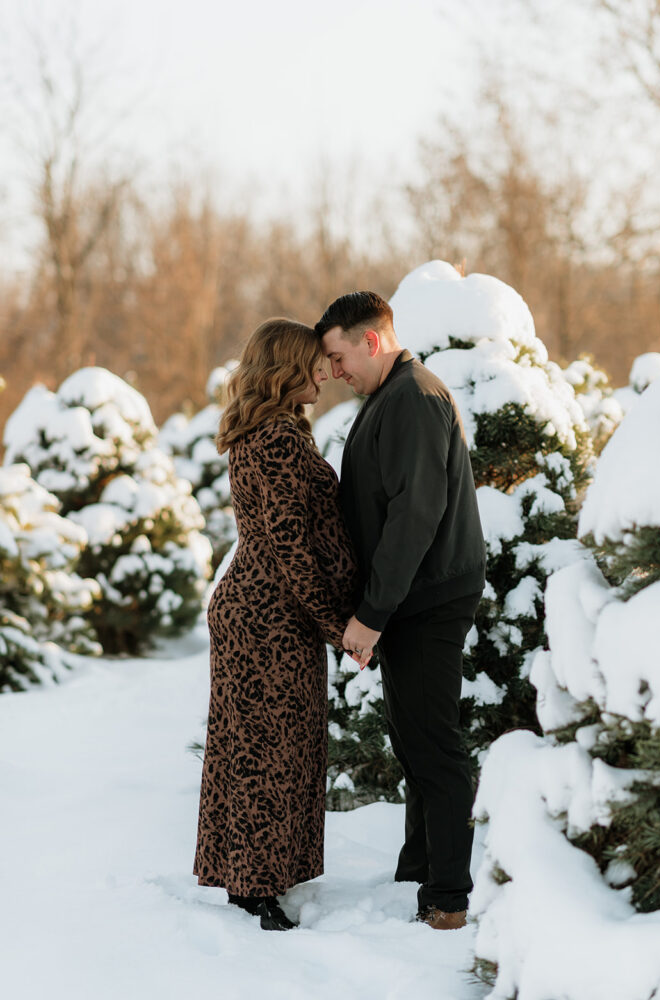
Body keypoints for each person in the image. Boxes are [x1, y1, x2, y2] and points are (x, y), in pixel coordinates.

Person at [315, 291, 486, 931]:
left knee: (433, 743)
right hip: (412, 595)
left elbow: (416, 515)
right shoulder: (390, 396)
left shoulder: (413, 397)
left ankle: (447, 896)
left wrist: (373, 612)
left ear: (372, 339)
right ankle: (420, 866)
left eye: (337, 357)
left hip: (428, 595)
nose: (334, 372)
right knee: (413, 739)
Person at [193, 318, 360, 931]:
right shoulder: (281, 440)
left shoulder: (265, 431)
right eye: (316, 363)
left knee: (247, 744)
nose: (325, 372)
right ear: (289, 368)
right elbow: (291, 542)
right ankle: (260, 888)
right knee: (272, 747)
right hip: (270, 616)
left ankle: (245, 876)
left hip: (255, 607)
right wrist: (333, 623)